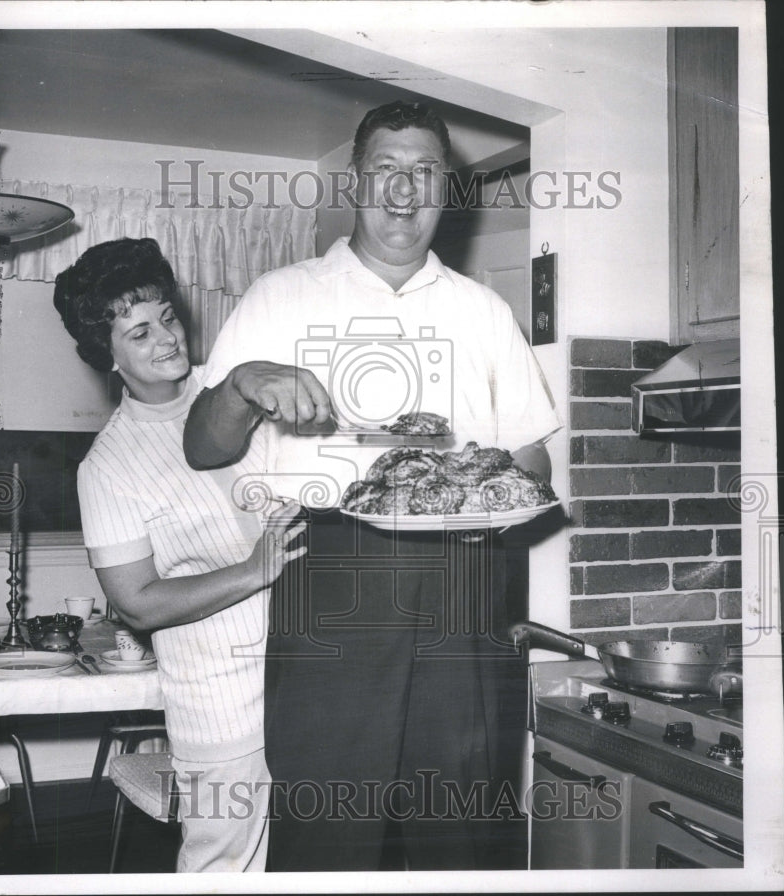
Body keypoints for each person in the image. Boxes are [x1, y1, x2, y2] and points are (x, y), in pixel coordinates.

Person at [183, 102, 561, 871]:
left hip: (466, 588)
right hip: (332, 582)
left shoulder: (484, 311)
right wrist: (244, 384)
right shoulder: (279, 295)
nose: (402, 192)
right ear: (356, 182)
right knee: (329, 826)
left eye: (423, 173)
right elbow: (202, 448)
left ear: (446, 190)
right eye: (385, 170)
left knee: (462, 830)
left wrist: (475, 484)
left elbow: (536, 467)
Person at [53, 237, 306, 872]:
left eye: (167, 316)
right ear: (104, 356)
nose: (165, 338)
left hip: (308, 673)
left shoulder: (241, 391)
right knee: (222, 866)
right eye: (138, 333)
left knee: (315, 859)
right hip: (219, 701)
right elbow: (135, 603)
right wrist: (252, 571)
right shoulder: (107, 467)